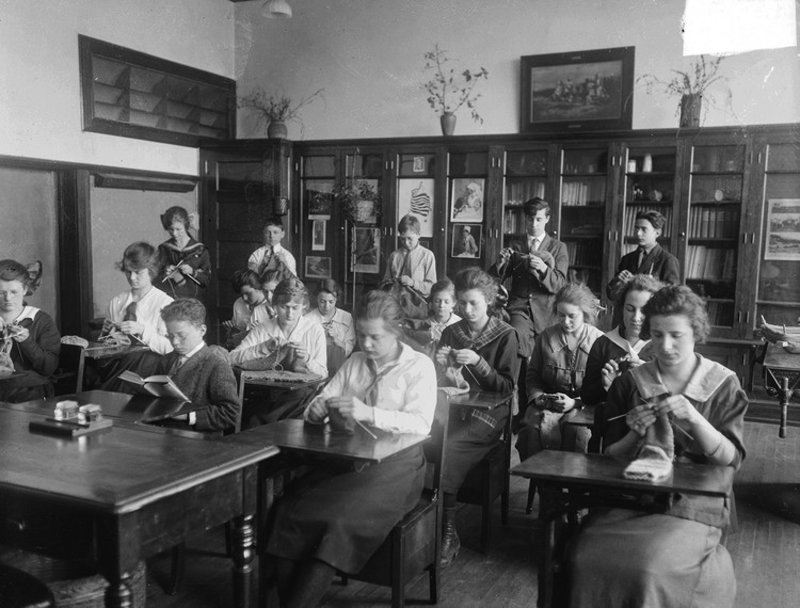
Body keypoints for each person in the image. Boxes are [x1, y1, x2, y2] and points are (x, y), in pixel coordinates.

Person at [568, 285, 747, 608]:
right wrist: (634, 435)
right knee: (585, 558)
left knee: (650, 567)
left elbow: (731, 461)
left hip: (694, 503)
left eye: (676, 336)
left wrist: (695, 419)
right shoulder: (631, 382)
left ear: (696, 332)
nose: (665, 346)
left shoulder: (721, 384)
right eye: (657, 334)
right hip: (632, 495)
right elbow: (609, 456)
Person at [263, 290, 436, 608]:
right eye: (361, 335)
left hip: (397, 468)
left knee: (337, 522)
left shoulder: (418, 366)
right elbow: (324, 397)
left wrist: (370, 413)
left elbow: (421, 424)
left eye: (375, 337)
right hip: (348, 459)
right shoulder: (356, 361)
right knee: (287, 510)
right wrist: (316, 410)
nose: (366, 344)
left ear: (396, 331)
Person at [434, 267, 520, 567]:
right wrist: (444, 368)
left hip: (490, 416)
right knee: (427, 439)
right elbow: (440, 381)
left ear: (489, 301)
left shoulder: (506, 335)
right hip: (454, 409)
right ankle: (422, 524)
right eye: (462, 303)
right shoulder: (451, 332)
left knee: (449, 447)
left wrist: (479, 363)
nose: (467, 310)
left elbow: (506, 387)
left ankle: (448, 533)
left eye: (474, 303)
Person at [490, 197, 568, 419]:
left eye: (539, 219)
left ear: (547, 219)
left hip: (547, 312)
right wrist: (500, 264)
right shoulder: (515, 246)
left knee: (546, 359)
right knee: (521, 349)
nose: (534, 224)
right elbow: (495, 279)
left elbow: (561, 284)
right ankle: (521, 410)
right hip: (520, 309)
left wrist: (544, 269)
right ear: (524, 219)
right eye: (530, 219)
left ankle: (542, 410)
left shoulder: (558, 247)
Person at [517, 283, 603, 460]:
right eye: (561, 315)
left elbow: (601, 387)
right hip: (547, 404)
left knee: (577, 432)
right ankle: (539, 476)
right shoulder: (546, 337)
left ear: (584, 314)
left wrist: (575, 403)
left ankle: (573, 477)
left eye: (572, 316)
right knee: (532, 430)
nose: (565, 321)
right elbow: (532, 376)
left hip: (584, 405)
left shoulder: (599, 341)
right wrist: (538, 397)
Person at [229, 278, 327, 426]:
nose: (289, 314)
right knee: (253, 420)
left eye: (295, 308)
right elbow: (232, 358)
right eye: (284, 307)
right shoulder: (264, 328)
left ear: (304, 307)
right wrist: (262, 348)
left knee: (290, 422)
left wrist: (307, 358)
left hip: (301, 398)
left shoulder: (314, 330)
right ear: (274, 306)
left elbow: (323, 374)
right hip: (267, 395)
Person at [581, 274, 662, 452]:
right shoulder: (603, 344)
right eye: (630, 309)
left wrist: (646, 375)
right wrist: (606, 386)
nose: (636, 317)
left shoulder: (661, 346)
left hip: (654, 437)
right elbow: (587, 397)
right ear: (621, 309)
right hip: (610, 435)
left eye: (644, 310)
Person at [93, 242, 174, 390]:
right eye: (128, 272)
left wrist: (142, 330)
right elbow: (104, 344)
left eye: (138, 273)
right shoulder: (117, 302)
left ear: (151, 270)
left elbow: (170, 348)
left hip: (149, 369)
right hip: (117, 365)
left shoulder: (165, 303)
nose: (132, 278)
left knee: (143, 359)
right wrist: (107, 336)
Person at [155, 298, 240, 434]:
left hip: (197, 439)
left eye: (181, 335)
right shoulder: (167, 360)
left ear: (202, 330)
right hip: (162, 433)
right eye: (170, 336)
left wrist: (189, 416)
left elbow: (231, 413)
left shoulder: (216, 364)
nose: (175, 342)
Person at [0, 259, 60, 403]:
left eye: (14, 292)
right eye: (1, 292)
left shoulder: (40, 320)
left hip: (29, 391)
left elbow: (48, 367)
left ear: (25, 290)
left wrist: (27, 342)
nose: (8, 298)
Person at [606, 210, 679, 324]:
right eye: (636, 228)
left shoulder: (667, 260)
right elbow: (611, 295)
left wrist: (648, 283)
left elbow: (673, 298)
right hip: (624, 321)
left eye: (644, 229)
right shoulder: (627, 259)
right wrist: (618, 282)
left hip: (649, 321)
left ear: (657, 233)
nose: (638, 233)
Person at [381, 214, 437, 320]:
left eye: (409, 238)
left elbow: (431, 288)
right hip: (395, 308)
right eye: (402, 239)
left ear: (418, 235)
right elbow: (384, 284)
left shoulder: (427, 256)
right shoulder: (394, 256)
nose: (406, 243)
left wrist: (412, 282)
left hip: (418, 309)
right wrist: (391, 282)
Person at [155, 206, 211, 299]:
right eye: (171, 229)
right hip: (168, 298)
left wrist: (192, 272)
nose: (174, 233)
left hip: (192, 300)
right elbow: (154, 277)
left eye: (178, 229)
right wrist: (165, 271)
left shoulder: (200, 249)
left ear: (186, 226)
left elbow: (206, 280)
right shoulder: (164, 249)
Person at [304, 279, 355, 376]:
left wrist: (337, 340)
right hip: (315, 367)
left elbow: (350, 347)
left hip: (340, 367)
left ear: (336, 299)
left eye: (331, 302)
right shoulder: (308, 319)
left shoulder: (346, 317)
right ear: (317, 299)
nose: (327, 306)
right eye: (322, 301)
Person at [405, 278, 461, 357]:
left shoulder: (460, 324)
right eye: (437, 301)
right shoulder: (424, 324)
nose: (441, 305)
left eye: (446, 302)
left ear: (454, 303)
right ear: (431, 303)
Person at [223, 269, 274, 349]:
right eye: (241, 294)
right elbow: (236, 336)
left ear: (258, 287)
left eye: (248, 293)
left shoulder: (270, 306)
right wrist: (231, 331)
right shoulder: (238, 303)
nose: (244, 298)